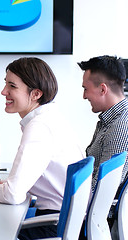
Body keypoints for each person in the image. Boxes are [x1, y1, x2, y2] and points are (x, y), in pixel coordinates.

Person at [0, 57, 84, 239]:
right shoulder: (50, 118)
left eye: (12, 86)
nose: (4, 92)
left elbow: (13, 195)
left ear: (36, 94)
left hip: (53, 225)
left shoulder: (39, 127)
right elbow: (23, 183)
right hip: (66, 221)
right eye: (5, 84)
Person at [78, 55, 128, 235]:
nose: (84, 96)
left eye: (86, 89)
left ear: (102, 89)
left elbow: (104, 188)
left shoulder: (120, 127)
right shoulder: (109, 120)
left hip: (96, 223)